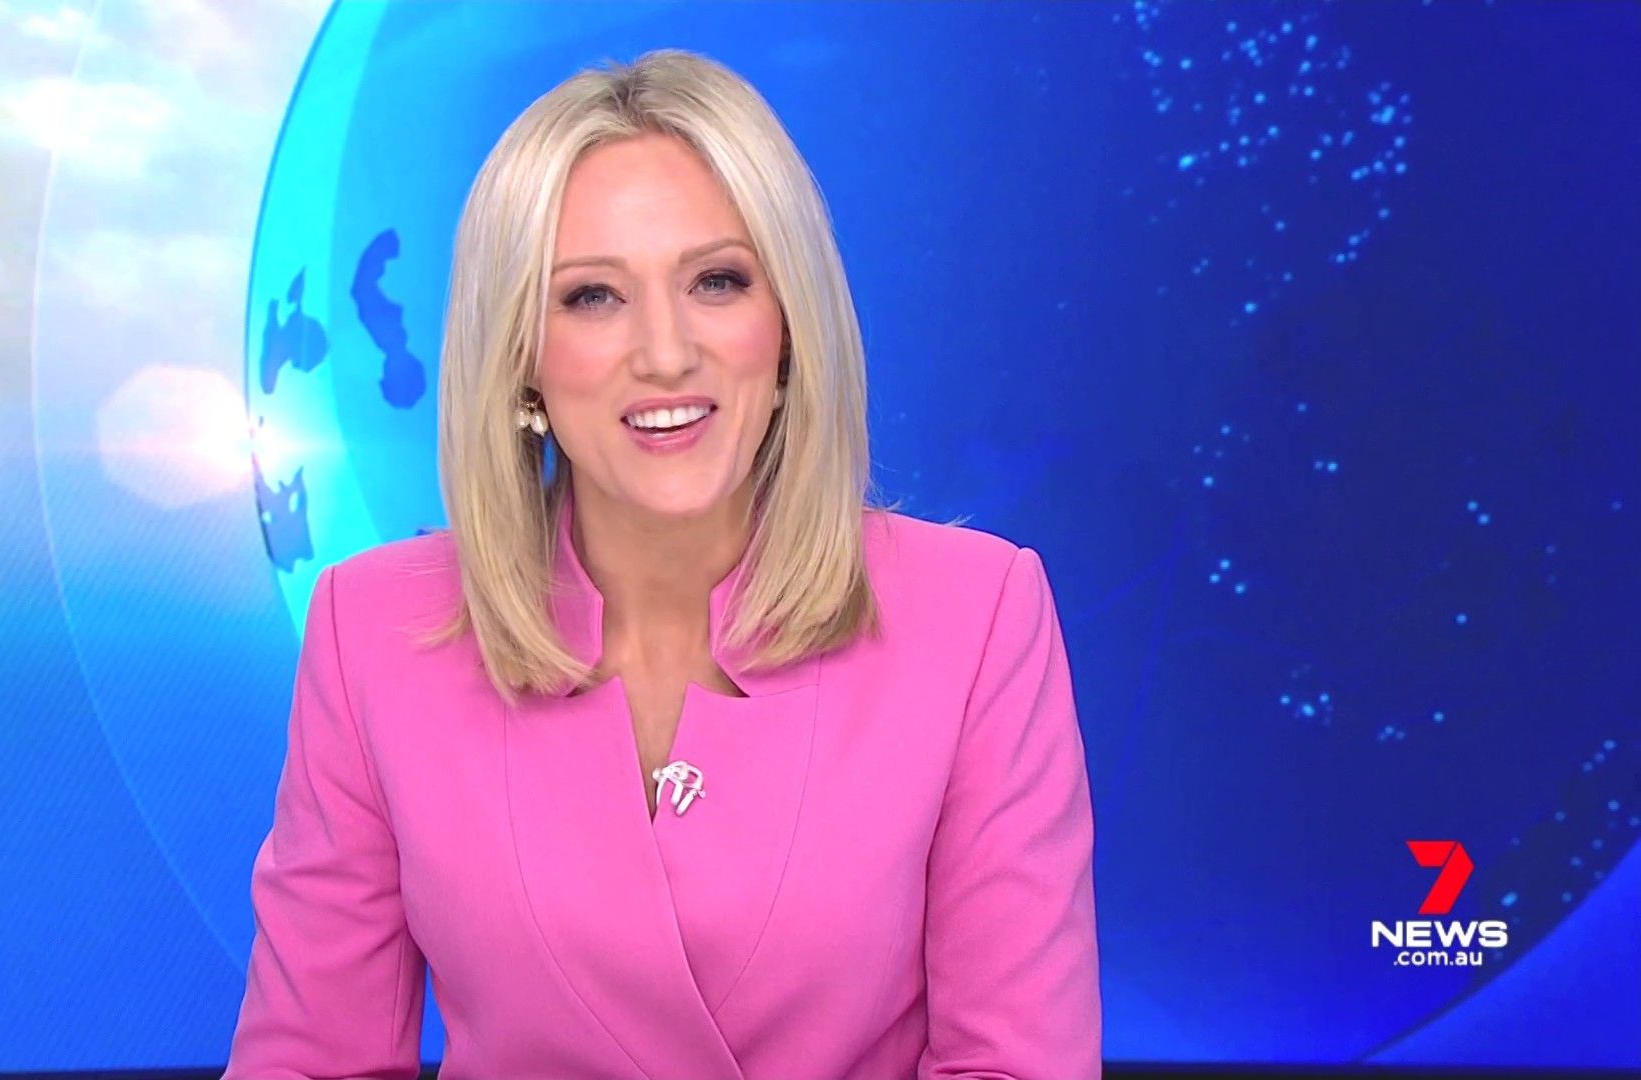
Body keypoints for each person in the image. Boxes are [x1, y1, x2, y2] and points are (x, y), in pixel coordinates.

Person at [222, 47, 1100, 1080]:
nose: (668, 352)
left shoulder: (977, 617)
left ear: (788, 329)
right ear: (520, 358)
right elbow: (308, 1061)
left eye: (717, 281)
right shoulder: (372, 631)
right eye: (593, 296)